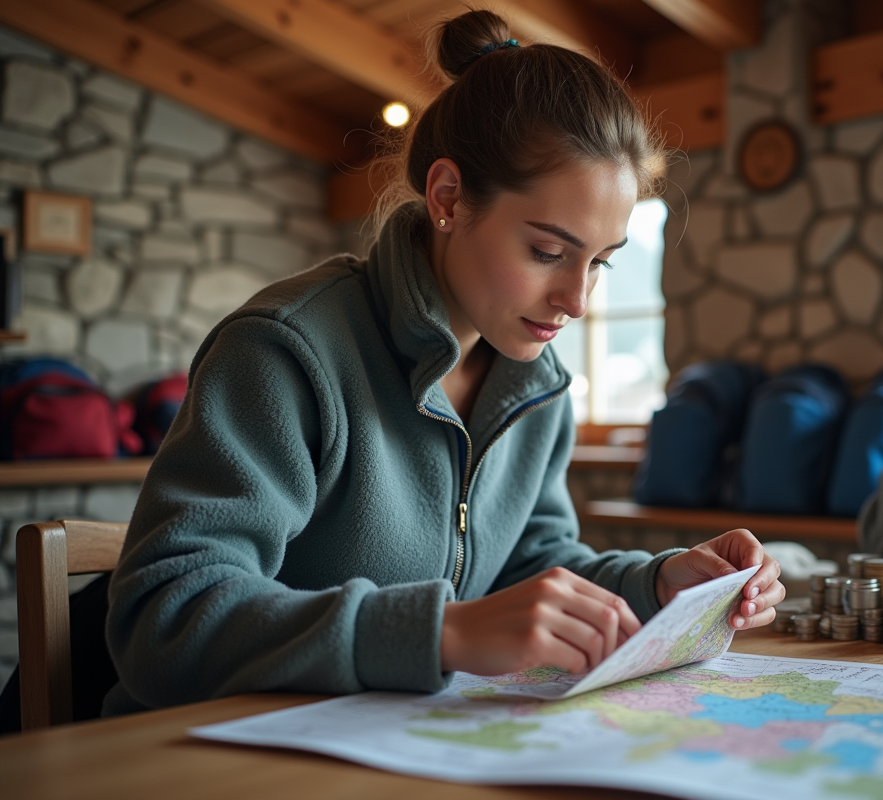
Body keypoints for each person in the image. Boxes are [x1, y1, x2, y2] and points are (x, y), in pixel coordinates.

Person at [102, 9, 784, 716]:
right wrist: (441, 633)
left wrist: (659, 584)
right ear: (448, 197)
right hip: (198, 751)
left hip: (380, 744)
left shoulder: (537, 386)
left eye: (600, 262)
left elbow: (528, 568)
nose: (577, 301)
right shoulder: (284, 352)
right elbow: (162, 620)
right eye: (548, 252)